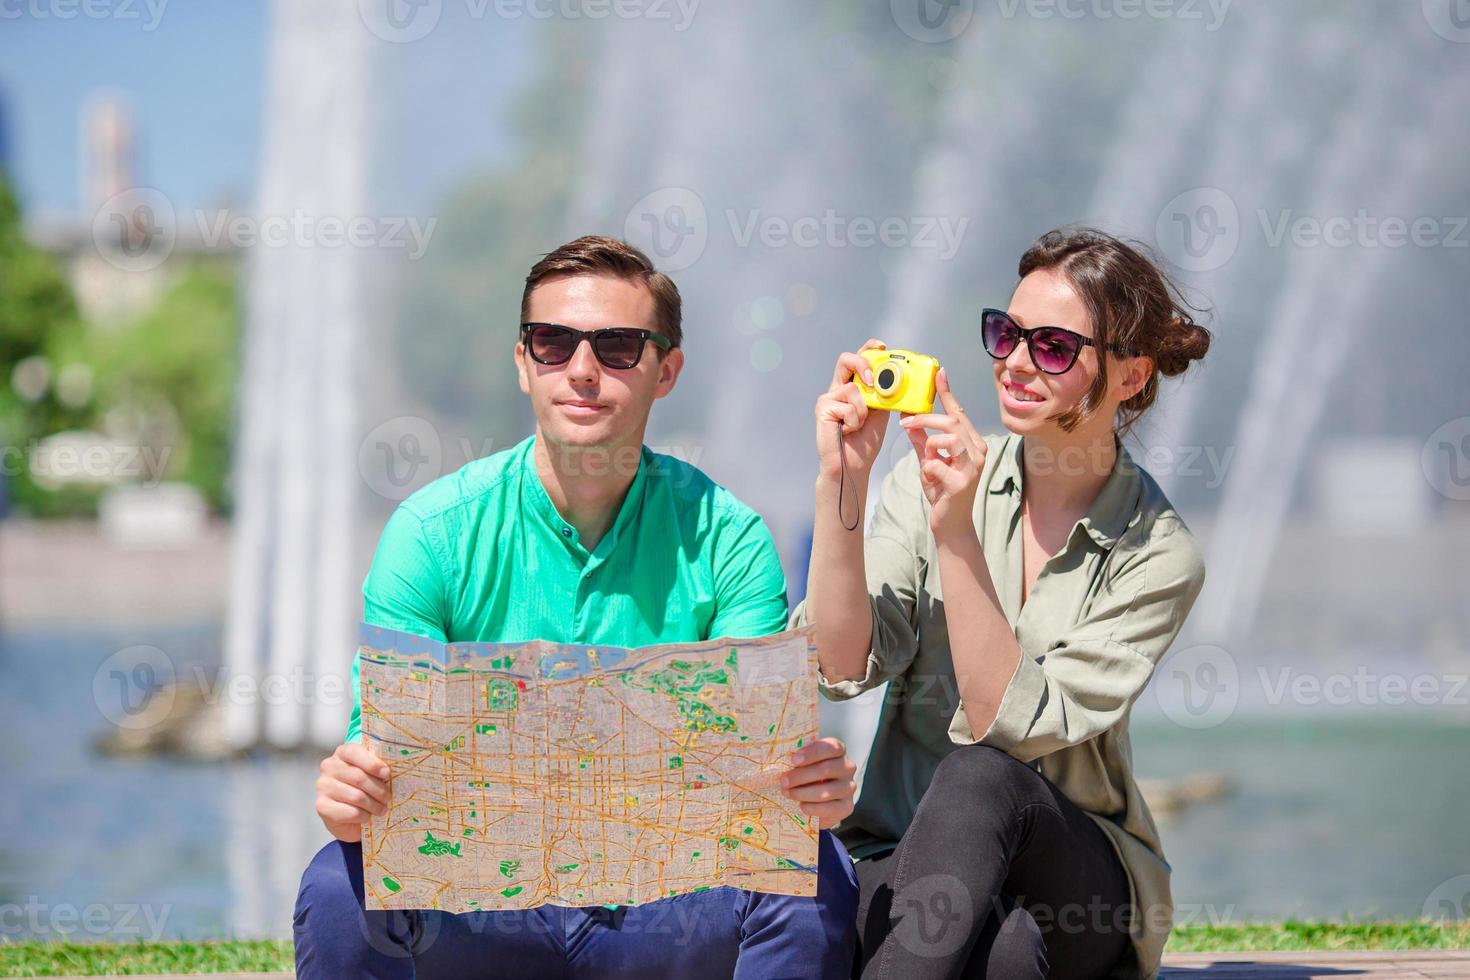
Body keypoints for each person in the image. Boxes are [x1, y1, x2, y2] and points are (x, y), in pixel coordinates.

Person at [294, 235, 860, 979]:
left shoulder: (730, 539)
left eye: (619, 346)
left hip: (667, 905)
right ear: (523, 361)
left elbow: (755, 772)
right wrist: (353, 793)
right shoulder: (430, 532)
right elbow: (384, 763)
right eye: (554, 342)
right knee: (341, 883)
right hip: (480, 904)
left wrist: (803, 788)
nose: (583, 371)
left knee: (817, 871)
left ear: (667, 371)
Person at [797, 228, 1212, 979]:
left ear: (1129, 375)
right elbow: (836, 663)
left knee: (978, 775)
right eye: (1005, 334)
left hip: (1073, 874)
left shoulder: (1157, 555)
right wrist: (843, 484)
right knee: (1010, 956)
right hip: (910, 854)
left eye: (1052, 346)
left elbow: (1003, 728)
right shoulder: (922, 484)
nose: (1016, 362)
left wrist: (955, 532)